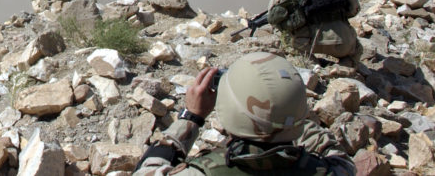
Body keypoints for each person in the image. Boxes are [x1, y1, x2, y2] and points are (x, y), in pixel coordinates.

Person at [133, 51, 355, 175]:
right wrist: (289, 114)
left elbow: (147, 170)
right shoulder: (328, 171)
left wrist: (191, 117)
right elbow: (340, 158)